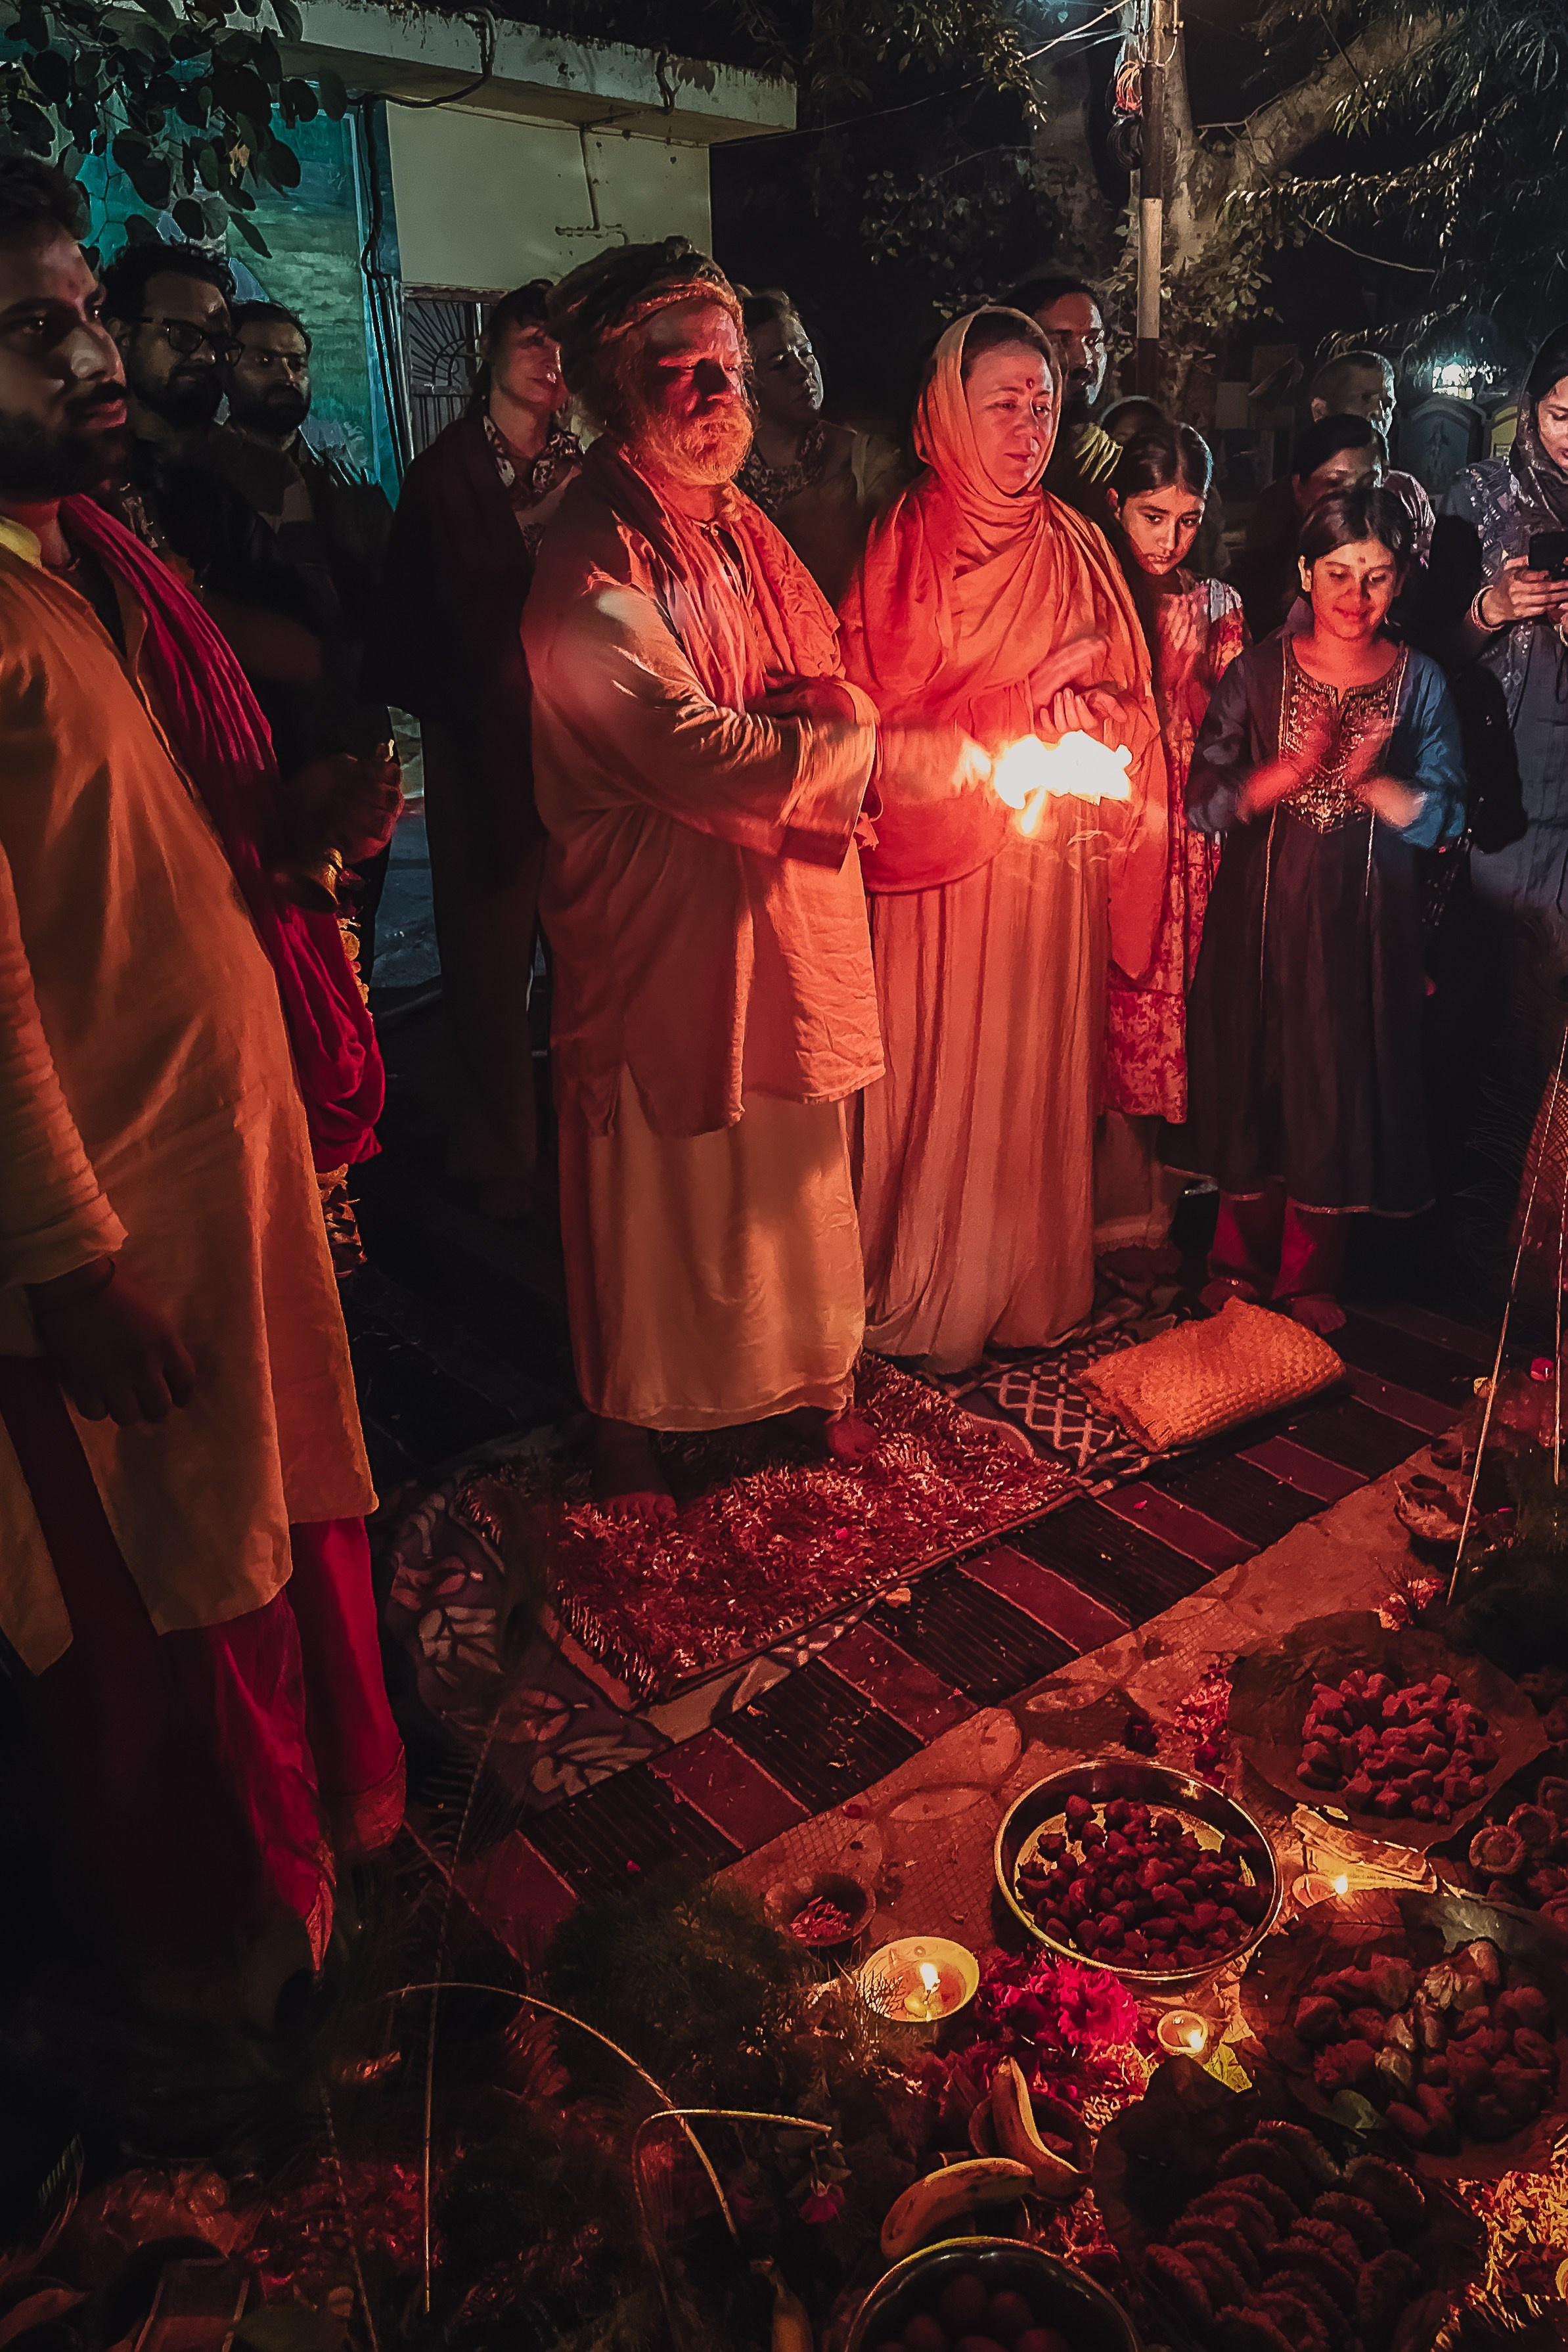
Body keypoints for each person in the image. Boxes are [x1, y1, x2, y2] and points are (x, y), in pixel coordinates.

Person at [0, 158, 401, 2027]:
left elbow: (135, 852)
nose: (91, 355)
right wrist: (71, 1261)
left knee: (271, 1519)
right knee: (160, 1590)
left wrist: (289, 833)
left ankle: (310, 1896)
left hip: (211, 1166)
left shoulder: (82, 559)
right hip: (109, 1226)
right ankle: (216, 1993)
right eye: (37, 329)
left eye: (85, 311)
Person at [526, 237, 979, 1514]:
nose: (718, 389)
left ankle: (809, 1379)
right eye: (680, 368)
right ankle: (630, 1423)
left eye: (725, 363)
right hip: (664, 933)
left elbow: (817, 673)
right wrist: (861, 742)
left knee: (794, 1169)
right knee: (658, 1189)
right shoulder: (591, 562)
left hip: (781, 905)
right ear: (616, 390)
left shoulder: (738, 527)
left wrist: (829, 720)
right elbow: (696, 749)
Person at [840, 305, 1168, 1370]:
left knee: (1034, 1077)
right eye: (1001, 406)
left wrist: (1092, 716)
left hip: (1045, 874)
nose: (1028, 429)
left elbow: (1131, 709)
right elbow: (870, 734)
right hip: (940, 876)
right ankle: (930, 1281)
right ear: (946, 410)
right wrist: (1014, 705)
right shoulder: (905, 543)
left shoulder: (1075, 542)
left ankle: (1030, 1284)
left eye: (1041, 404)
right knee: (943, 1083)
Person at [1180, 485, 1467, 1333]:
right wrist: (1284, 773)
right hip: (1260, 923)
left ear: (1400, 580)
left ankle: (1310, 1276)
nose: (1354, 596)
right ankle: (1234, 1262)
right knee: (1255, 1071)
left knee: (1335, 1082)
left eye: (1375, 576)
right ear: (1305, 571)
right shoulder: (1257, 673)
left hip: (1362, 929)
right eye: (1337, 573)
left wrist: (1372, 785)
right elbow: (1202, 800)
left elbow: (1448, 813)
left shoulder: (1418, 683)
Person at [368, 283, 579, 1219]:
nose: (548, 360)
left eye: (561, 346)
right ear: (488, 352)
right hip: (478, 739)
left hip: (581, 742)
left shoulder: (589, 466)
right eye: (531, 340)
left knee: (589, 950)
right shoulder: (445, 474)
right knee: (488, 955)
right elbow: (417, 614)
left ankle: (582, 1132)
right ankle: (499, 1148)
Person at [210, 298, 397, 969]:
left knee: (353, 940)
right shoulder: (201, 488)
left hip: (352, 726)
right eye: (264, 360)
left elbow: (391, 604)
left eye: (296, 361)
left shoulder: (343, 486)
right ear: (226, 368)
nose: (285, 375)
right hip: (259, 736)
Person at [1099, 422, 1248, 1250]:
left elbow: (1227, 734)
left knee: (1173, 1017)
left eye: (1187, 519)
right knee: (1106, 1010)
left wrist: (1189, 681)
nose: (1168, 538)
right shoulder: (1091, 591)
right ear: (1115, 503)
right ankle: (1095, 1216)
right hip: (1110, 819)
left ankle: (1153, 1220)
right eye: (1151, 516)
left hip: (1186, 835)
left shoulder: (1216, 603)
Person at [1427, 324, 1568, 1093]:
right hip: (1500, 775)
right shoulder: (1478, 498)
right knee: (1490, 993)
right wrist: (1493, 606)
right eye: (1558, 416)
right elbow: (1430, 649)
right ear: (1528, 406)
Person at [735, 288, 903, 602]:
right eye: (780, 363)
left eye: (806, 352)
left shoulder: (865, 467)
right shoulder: (726, 488)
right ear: (745, 383)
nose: (803, 371)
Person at [1249, 349, 1435, 568]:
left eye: (1387, 403)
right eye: (1365, 398)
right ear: (1321, 411)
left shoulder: (1407, 492)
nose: (1378, 412)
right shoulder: (1280, 502)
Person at [1232, 414, 1386, 639]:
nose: (1352, 499)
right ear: (1299, 488)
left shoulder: (1399, 579)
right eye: (1334, 484)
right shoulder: (1253, 582)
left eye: (1369, 483)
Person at [1004, 270, 1118, 523]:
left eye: (1093, 341)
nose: (1084, 361)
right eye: (1061, 342)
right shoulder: (985, 455)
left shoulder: (1114, 466)